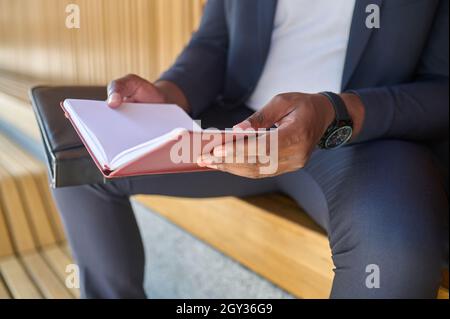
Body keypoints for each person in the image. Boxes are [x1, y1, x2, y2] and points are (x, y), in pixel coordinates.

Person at [53, 0, 449, 298]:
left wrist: (337, 111)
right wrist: (170, 94)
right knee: (78, 157)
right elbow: (213, 41)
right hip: (238, 122)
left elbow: (441, 87)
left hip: (357, 133)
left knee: (396, 255)